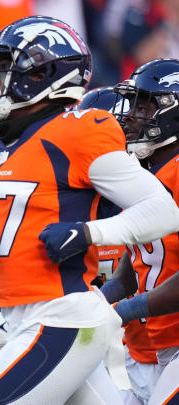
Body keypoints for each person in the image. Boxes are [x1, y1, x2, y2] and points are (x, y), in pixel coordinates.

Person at [0, 16, 179, 405]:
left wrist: (88, 235)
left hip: (70, 318)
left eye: (5, 67)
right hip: (79, 328)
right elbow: (0, 252)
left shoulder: (81, 133)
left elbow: (161, 214)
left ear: (42, 73)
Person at [102, 57, 179, 405]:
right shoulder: (141, 174)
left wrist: (123, 311)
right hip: (155, 347)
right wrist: (94, 304)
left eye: (144, 104)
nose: (131, 115)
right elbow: (136, 263)